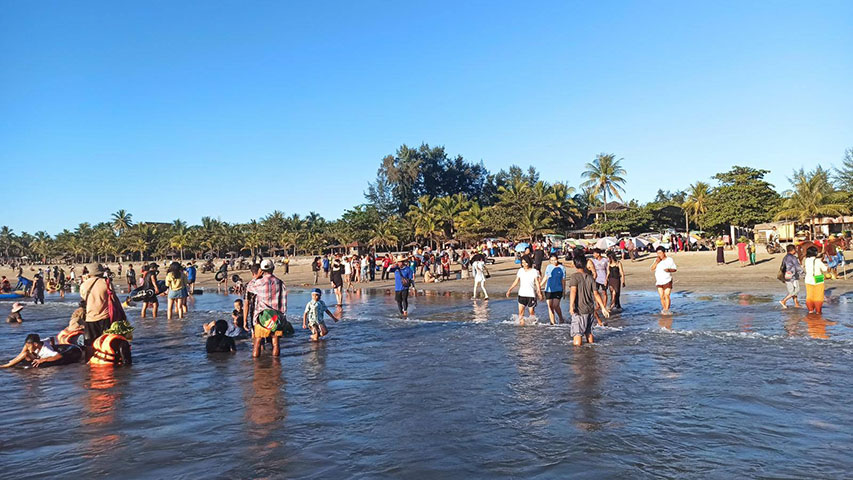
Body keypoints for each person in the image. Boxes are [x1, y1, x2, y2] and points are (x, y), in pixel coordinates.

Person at [247, 258, 287, 358]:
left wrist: (257, 276)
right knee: (276, 343)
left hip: (261, 316)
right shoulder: (280, 282)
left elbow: (249, 288)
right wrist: (283, 316)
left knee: (258, 342)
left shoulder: (258, 283)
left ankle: (256, 365)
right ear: (273, 268)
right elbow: (283, 301)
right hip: (275, 316)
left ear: (262, 270)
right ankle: (276, 364)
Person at [568, 256, 610, 346]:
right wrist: (603, 308)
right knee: (589, 332)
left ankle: (578, 353)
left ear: (575, 265)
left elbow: (573, 291)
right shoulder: (590, 278)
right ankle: (591, 350)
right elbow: (596, 294)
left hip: (579, 310)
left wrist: (571, 306)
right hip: (590, 309)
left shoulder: (574, 277)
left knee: (577, 334)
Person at [1, 334, 83, 368]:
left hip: (44, 358)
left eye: (29, 346)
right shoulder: (41, 342)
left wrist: (44, 360)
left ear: (35, 344)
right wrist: (54, 346)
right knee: (25, 352)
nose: (27, 347)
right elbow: (51, 338)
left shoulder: (46, 349)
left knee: (25, 353)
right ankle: (12, 361)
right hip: (38, 355)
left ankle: (6, 366)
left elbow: (59, 356)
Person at [79, 263, 112, 344]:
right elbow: (112, 298)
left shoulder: (83, 285)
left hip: (90, 318)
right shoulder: (106, 283)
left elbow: (83, 300)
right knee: (105, 344)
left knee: (90, 344)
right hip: (105, 317)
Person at [506, 257, 542, 322]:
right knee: (520, 313)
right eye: (522, 263)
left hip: (531, 295)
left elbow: (537, 282)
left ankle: (533, 326)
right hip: (521, 294)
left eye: (525, 262)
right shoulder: (520, 270)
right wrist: (509, 290)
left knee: (531, 313)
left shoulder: (534, 271)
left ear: (529, 262)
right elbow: (516, 281)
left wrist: (539, 292)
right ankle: (521, 326)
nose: (524, 264)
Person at [651, 246, 678, 315]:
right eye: (657, 253)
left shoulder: (669, 260)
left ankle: (667, 309)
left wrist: (669, 270)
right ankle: (664, 309)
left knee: (667, 295)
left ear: (664, 253)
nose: (659, 255)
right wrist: (656, 262)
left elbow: (675, 269)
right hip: (659, 280)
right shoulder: (657, 260)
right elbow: (652, 268)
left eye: (660, 253)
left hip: (667, 279)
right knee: (661, 296)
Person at [540, 254, 566, 325]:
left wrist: (564, 290)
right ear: (550, 261)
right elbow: (546, 277)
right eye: (552, 260)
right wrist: (539, 286)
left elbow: (563, 280)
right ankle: (552, 323)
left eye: (555, 260)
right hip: (548, 289)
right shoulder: (548, 267)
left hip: (558, 289)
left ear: (557, 259)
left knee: (555, 305)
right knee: (550, 306)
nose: (554, 262)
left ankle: (561, 318)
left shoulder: (562, 268)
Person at [803, 246, 828, 314]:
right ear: (815, 253)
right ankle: (818, 311)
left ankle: (810, 310)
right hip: (818, 277)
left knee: (810, 295)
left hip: (808, 278)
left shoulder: (806, 260)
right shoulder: (818, 261)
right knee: (819, 296)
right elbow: (825, 269)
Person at [779, 244, 804, 309]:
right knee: (796, 290)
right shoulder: (793, 258)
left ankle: (796, 304)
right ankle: (783, 300)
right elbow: (797, 267)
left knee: (792, 290)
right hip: (793, 276)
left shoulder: (785, 257)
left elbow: (782, 267)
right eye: (795, 249)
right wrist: (803, 274)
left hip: (786, 275)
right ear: (793, 250)